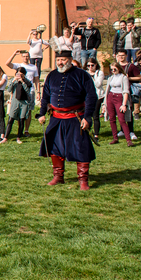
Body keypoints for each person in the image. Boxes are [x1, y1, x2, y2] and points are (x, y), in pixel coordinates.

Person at [37, 50, 98, 191]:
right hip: (56, 118)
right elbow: (46, 96)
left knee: (81, 148)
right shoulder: (51, 75)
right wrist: (41, 113)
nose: (60, 62)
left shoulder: (82, 75)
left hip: (75, 118)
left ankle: (83, 180)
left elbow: (91, 97)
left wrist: (87, 117)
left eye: (63, 59)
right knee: (54, 147)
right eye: (58, 60)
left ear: (70, 60)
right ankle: (58, 176)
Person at [6, 49, 40, 137]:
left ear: (29, 57)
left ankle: (26, 130)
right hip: (19, 90)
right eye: (24, 56)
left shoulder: (34, 67)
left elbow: (36, 80)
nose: (26, 58)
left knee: (28, 111)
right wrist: (14, 53)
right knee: (19, 111)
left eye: (27, 56)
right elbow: (7, 63)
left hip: (30, 90)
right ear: (21, 57)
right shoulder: (18, 65)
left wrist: (38, 92)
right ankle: (19, 131)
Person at [102, 62, 134, 147]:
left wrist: (124, 104)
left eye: (114, 69)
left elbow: (126, 91)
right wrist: (104, 104)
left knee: (122, 119)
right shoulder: (111, 78)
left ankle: (128, 140)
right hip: (111, 97)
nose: (113, 71)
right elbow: (107, 91)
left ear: (118, 68)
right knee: (112, 118)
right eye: (111, 69)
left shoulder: (123, 77)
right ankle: (115, 137)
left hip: (119, 97)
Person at [0, 67, 32, 145]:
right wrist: (13, 81)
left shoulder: (27, 82)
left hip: (24, 103)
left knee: (22, 119)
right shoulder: (14, 81)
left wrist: (22, 82)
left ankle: (19, 137)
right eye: (18, 74)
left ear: (24, 74)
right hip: (15, 101)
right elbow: (9, 90)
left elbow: (27, 91)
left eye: (21, 74)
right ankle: (5, 137)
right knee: (11, 119)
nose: (19, 76)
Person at [85, 58, 104, 141]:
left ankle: (96, 135)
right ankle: (87, 131)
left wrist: (91, 77)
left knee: (95, 116)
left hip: (98, 96)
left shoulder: (100, 73)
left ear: (96, 65)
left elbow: (98, 84)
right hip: (87, 96)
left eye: (92, 65)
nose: (90, 67)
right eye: (88, 65)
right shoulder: (85, 73)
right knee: (87, 115)